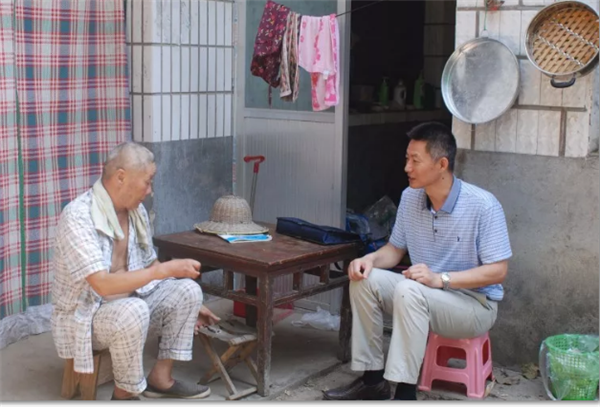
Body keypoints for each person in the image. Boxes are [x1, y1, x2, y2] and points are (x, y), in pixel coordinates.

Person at [324, 122, 512, 401]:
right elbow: (394, 250)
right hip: (421, 294)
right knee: (365, 280)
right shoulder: (410, 197)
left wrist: (441, 279)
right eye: (407, 159)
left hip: (474, 305)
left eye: (415, 160)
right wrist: (368, 259)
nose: (407, 168)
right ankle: (373, 380)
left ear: (442, 164)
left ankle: (405, 393)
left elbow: (498, 271)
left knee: (409, 290)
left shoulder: (483, 205)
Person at [51, 141, 218, 400]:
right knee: (134, 309)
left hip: (132, 302)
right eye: (147, 182)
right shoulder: (78, 216)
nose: (150, 191)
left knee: (188, 290)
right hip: (87, 316)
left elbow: (150, 264)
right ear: (121, 177)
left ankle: (160, 378)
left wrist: (192, 302)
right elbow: (102, 284)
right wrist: (164, 270)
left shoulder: (135, 211)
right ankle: (124, 395)